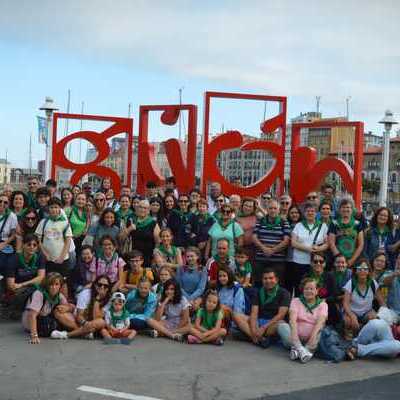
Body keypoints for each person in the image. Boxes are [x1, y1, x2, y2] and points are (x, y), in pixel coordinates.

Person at [278, 278, 328, 363]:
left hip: (312, 338)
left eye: (311, 289)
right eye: (306, 289)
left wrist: (312, 338)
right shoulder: (296, 301)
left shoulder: (323, 304)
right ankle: (302, 351)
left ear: (317, 291)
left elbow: (320, 323)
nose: (308, 291)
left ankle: (298, 350)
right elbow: (292, 320)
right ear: (302, 290)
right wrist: (295, 338)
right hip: (294, 338)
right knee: (281, 325)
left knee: (320, 331)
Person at [288, 203, 328, 296]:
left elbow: (327, 244)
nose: (310, 213)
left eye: (312, 211)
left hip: (316, 263)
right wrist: (308, 249)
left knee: (315, 288)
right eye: (308, 211)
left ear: (316, 213)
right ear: (304, 213)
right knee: (300, 287)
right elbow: (293, 243)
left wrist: (318, 248)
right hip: (299, 261)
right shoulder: (298, 225)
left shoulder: (323, 226)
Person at [22, 272, 72, 343]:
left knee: (63, 314)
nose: (54, 287)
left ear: (60, 286)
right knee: (48, 326)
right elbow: (32, 315)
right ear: (46, 285)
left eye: (56, 284)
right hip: (31, 322)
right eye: (51, 285)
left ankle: (77, 330)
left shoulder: (59, 295)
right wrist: (34, 336)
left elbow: (70, 307)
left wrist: (68, 308)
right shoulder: (39, 294)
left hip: (46, 318)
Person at [5, 234, 45, 317]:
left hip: (29, 286)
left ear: (37, 247)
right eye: (29, 244)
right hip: (19, 289)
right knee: (20, 292)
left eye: (34, 245)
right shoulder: (13, 259)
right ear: (23, 245)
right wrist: (20, 286)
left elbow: (41, 277)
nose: (32, 247)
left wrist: (23, 284)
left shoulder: (40, 257)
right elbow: (10, 285)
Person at [343, 260, 385, 339]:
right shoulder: (351, 283)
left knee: (374, 318)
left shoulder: (373, 283)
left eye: (365, 269)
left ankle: (366, 335)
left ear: (369, 271)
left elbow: (381, 301)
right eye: (360, 269)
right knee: (348, 321)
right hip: (353, 311)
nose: (363, 271)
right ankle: (350, 337)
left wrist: (385, 315)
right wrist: (352, 316)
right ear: (355, 271)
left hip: (367, 312)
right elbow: (345, 303)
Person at [252, 199, 290, 286]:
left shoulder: (283, 222)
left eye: (275, 208)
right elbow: (254, 237)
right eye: (270, 208)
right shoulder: (261, 221)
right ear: (267, 209)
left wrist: (272, 250)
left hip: (277, 261)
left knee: (277, 284)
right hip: (261, 259)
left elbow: (286, 240)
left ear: (279, 210)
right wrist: (264, 248)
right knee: (259, 283)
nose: (273, 210)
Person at [248, 269, 290, 347]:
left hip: (272, 323)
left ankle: (251, 336)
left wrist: (264, 327)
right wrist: (254, 331)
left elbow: (281, 315)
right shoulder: (258, 292)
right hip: (259, 322)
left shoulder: (284, 293)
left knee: (281, 324)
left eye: (271, 278)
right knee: (237, 316)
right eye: (265, 278)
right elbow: (254, 313)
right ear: (262, 280)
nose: (268, 281)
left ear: (276, 280)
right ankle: (258, 338)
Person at [35, 197, 72, 282]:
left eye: (56, 207)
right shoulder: (43, 222)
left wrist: (62, 257)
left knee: (62, 281)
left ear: (60, 209)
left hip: (62, 259)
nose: (54, 209)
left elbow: (68, 241)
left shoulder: (65, 223)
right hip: (47, 259)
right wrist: (45, 254)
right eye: (51, 207)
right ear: (48, 209)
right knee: (48, 281)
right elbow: (38, 239)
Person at [328, 198, 364, 268]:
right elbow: (331, 243)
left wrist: (352, 260)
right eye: (343, 207)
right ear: (339, 209)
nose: (345, 209)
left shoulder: (358, 224)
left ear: (352, 209)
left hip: (352, 260)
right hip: (337, 260)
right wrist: (340, 259)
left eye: (348, 207)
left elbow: (361, 244)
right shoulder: (334, 223)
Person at [216, 267, 250, 336]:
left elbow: (238, 311)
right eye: (220, 276)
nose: (222, 278)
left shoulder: (237, 289)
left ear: (229, 276)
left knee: (222, 310)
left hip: (233, 318)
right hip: (219, 316)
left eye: (224, 276)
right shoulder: (219, 288)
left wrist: (226, 308)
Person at [129, 199, 160, 267]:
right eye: (140, 207)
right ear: (137, 208)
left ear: (148, 210)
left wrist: (154, 258)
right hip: (133, 258)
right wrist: (129, 229)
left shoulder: (153, 223)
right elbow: (121, 238)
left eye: (145, 208)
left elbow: (158, 242)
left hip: (148, 257)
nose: (142, 209)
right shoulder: (131, 221)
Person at [0, 193, 18, 281]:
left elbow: (14, 234)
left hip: (4, 242)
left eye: (5, 202)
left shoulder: (12, 216)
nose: (2, 204)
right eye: (0, 201)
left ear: (9, 204)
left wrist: (4, 244)